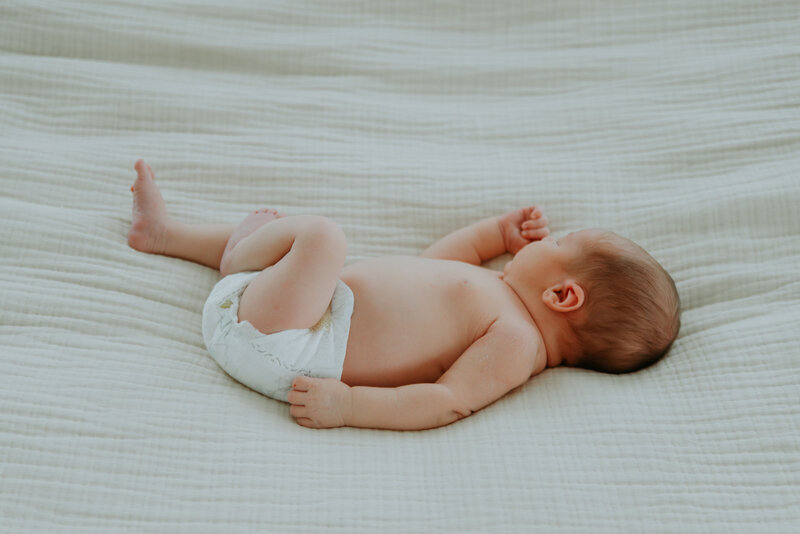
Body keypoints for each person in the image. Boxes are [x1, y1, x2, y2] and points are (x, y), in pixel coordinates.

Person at [128, 160, 680, 430]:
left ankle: (239, 256)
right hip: (284, 311)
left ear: (562, 295)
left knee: (323, 239)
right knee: (307, 258)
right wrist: (495, 234)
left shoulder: (516, 341)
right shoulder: (499, 295)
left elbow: (446, 400)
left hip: (291, 344)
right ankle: (166, 236)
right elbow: (434, 263)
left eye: (558, 243)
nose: (545, 239)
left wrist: (349, 406)